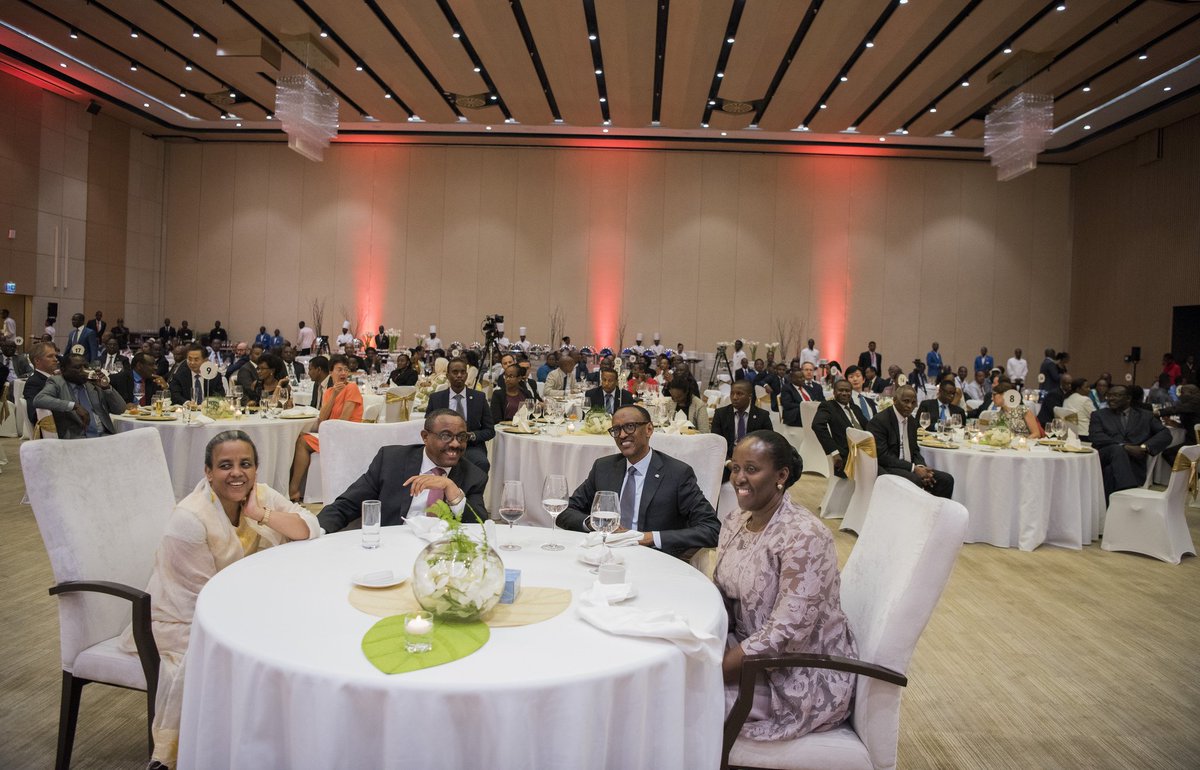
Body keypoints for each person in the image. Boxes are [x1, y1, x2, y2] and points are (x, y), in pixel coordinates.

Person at [121, 431, 319, 768]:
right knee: (276, 649)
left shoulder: (261, 496)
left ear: (256, 469)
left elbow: (309, 528)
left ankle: (278, 744)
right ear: (208, 472)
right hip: (184, 619)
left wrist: (261, 514)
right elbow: (203, 603)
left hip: (239, 607)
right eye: (225, 465)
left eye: (245, 464)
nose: (237, 473)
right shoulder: (190, 519)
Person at [714, 430, 856, 740]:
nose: (738, 478)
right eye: (735, 468)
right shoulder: (736, 520)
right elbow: (724, 593)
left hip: (793, 676)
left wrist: (713, 671)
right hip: (744, 650)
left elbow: (785, 634)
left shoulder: (805, 536)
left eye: (751, 469)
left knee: (680, 698)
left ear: (781, 475)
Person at [556, 405, 719, 558]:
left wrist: (648, 538)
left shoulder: (677, 474)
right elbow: (564, 510)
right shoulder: (604, 468)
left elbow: (712, 529)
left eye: (629, 427)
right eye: (616, 430)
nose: (622, 435)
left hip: (652, 559)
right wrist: (594, 523)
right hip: (603, 554)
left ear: (649, 429)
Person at [318, 409, 489, 532]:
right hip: (390, 547)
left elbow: (479, 527)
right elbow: (347, 505)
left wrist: (452, 490)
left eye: (462, 437)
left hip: (442, 555)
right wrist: (316, 530)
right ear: (425, 437)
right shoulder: (391, 460)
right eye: (446, 436)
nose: (456, 444)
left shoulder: (474, 475)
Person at [289, 354, 363, 500]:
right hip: (332, 433)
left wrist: (328, 433)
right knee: (298, 437)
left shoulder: (352, 388)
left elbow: (343, 421)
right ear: (331, 372)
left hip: (347, 436)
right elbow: (322, 418)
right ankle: (294, 488)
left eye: (345, 370)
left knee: (302, 441)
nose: (343, 373)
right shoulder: (329, 391)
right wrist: (334, 394)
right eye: (339, 369)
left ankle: (293, 489)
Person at [866, 385, 954, 498]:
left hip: (909, 466)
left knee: (946, 480)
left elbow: (915, 450)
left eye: (913, 402)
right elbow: (883, 456)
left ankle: (933, 509)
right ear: (895, 400)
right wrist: (914, 468)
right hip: (888, 467)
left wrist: (921, 467)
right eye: (906, 401)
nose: (909, 406)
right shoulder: (880, 421)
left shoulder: (911, 421)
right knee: (916, 480)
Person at [1090, 385, 1172, 498]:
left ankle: (1110, 507)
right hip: (1104, 458)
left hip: (1132, 465)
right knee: (1116, 449)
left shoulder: (1145, 416)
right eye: (1109, 395)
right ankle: (1127, 491)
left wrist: (1144, 447)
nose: (1111, 398)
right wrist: (1124, 446)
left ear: (1128, 398)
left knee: (1110, 472)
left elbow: (1165, 434)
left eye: (1116, 395)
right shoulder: (1099, 415)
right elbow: (1096, 436)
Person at [32, 354, 126, 438]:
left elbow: (120, 409)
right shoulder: (57, 382)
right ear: (63, 369)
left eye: (85, 367)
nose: (83, 370)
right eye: (78, 368)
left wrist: (106, 387)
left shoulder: (93, 384)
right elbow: (39, 399)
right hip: (77, 439)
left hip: (104, 436)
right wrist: (74, 406)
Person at [427, 359, 495, 472]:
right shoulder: (436, 398)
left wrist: (471, 436)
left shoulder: (479, 398)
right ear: (447, 375)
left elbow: (490, 430)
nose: (459, 375)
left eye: (463, 372)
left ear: (467, 375)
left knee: (481, 462)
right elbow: (428, 427)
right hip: (443, 445)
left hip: (471, 447)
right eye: (455, 372)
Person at [712, 381, 775, 480]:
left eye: (739, 394)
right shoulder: (721, 414)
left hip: (754, 460)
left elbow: (769, 443)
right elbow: (716, 443)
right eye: (732, 393)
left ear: (750, 396)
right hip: (727, 460)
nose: (734, 397)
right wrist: (728, 462)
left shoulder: (762, 416)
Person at [812, 380, 869, 477]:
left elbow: (868, 427)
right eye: (841, 390)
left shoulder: (855, 408)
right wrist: (834, 452)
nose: (844, 393)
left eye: (847, 391)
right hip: (847, 455)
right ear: (834, 392)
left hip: (866, 450)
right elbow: (817, 425)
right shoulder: (828, 406)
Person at [23, 341, 60, 424]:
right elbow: (35, 415)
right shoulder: (34, 383)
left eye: (55, 356)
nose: (55, 359)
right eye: (50, 356)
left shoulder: (57, 378)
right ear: (37, 360)